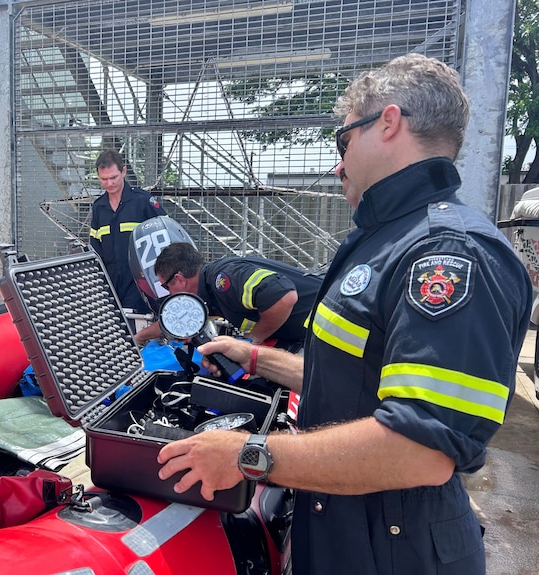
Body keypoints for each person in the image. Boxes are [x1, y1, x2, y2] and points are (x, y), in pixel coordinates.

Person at [156, 53, 531, 574]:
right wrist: (255, 357)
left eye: (343, 141)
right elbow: (356, 380)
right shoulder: (388, 240)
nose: (337, 164)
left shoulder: (448, 255)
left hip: (395, 551)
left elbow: (419, 448)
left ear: (389, 123)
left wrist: (248, 454)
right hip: (344, 529)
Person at [133, 242, 322, 345]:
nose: (169, 294)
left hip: (331, 323)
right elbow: (174, 321)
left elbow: (284, 297)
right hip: (311, 334)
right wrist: (139, 338)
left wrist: (252, 341)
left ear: (180, 280)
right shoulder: (205, 293)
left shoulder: (223, 279)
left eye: (166, 287)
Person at [89, 149, 166, 311]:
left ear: (123, 172)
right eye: (104, 179)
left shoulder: (143, 201)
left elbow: (167, 238)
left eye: (113, 177)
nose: (109, 183)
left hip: (141, 282)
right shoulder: (98, 208)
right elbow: (95, 249)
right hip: (110, 284)